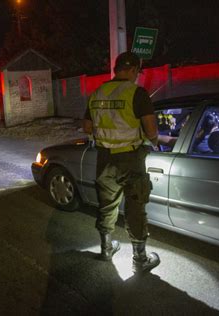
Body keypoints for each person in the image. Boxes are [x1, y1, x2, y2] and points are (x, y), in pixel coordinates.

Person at [83, 52, 161, 274]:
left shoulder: (97, 92)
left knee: (106, 204)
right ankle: (140, 259)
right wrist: (154, 142)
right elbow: (152, 131)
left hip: (104, 158)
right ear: (134, 69)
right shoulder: (137, 93)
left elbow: (87, 128)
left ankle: (106, 249)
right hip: (130, 159)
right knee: (135, 206)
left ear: (117, 69)